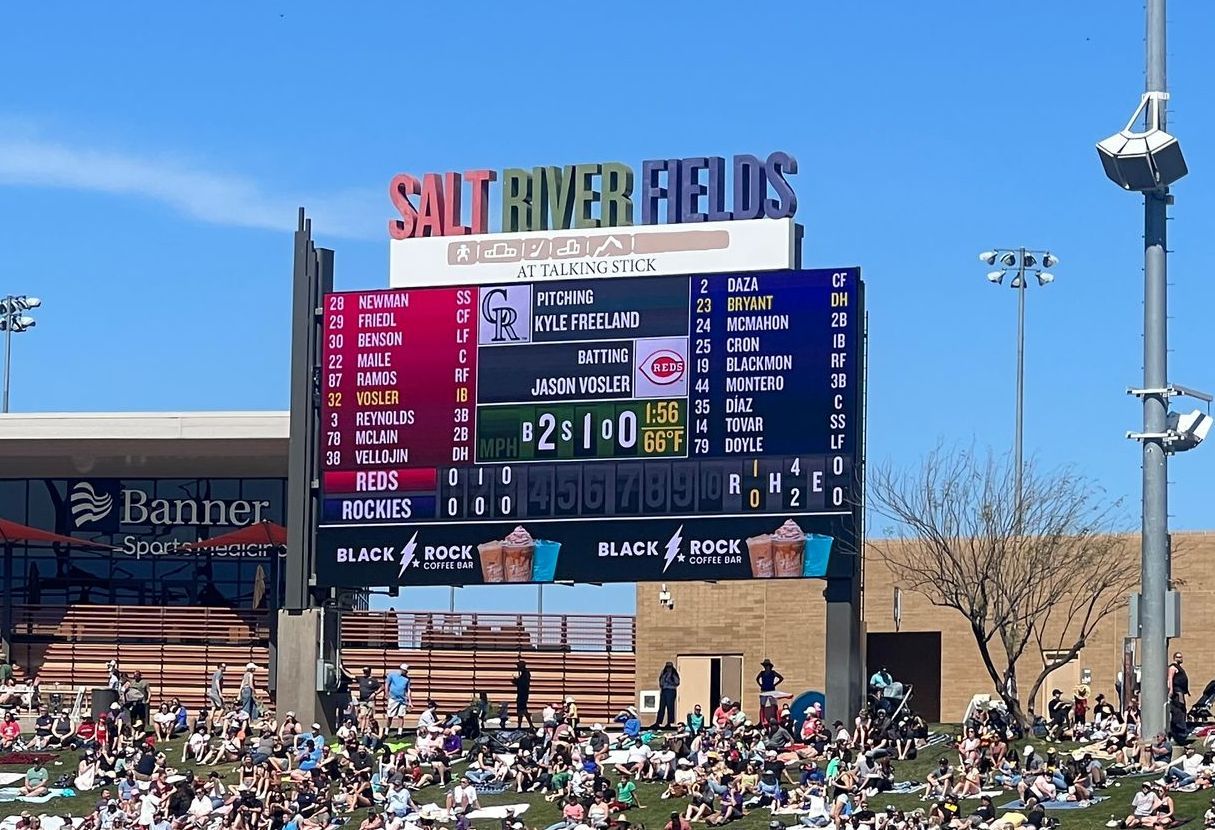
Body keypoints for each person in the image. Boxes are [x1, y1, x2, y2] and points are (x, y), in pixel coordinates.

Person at [653, 662, 680, 729]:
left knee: (670, 707)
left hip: (671, 690)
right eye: (667, 667)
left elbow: (677, 683)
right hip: (664, 690)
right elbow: (661, 682)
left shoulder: (674, 674)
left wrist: (670, 681)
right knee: (661, 707)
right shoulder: (663, 673)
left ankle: (670, 722)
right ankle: (658, 722)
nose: (668, 668)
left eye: (670, 667)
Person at [385, 664, 411, 735]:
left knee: (401, 716)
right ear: (401, 669)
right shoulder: (392, 675)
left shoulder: (407, 679)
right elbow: (387, 684)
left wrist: (409, 701)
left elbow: (408, 690)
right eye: (405, 671)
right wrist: (386, 693)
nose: (406, 673)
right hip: (393, 698)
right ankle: (386, 731)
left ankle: (399, 732)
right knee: (390, 715)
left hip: (402, 700)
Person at [756, 659, 784, 725]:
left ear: (769, 666)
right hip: (764, 690)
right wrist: (760, 684)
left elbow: (781, 678)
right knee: (762, 705)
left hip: (771, 689)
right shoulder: (762, 673)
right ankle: (762, 720)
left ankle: (776, 718)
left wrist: (775, 684)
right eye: (765, 666)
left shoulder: (773, 672)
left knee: (773, 705)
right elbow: (757, 678)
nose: (765, 667)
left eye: (767, 666)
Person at [512, 660, 534, 729]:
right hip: (521, 694)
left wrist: (516, 681)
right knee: (521, 710)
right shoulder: (524, 674)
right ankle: (520, 725)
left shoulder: (526, 673)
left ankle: (529, 725)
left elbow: (523, 684)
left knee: (523, 710)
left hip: (523, 694)